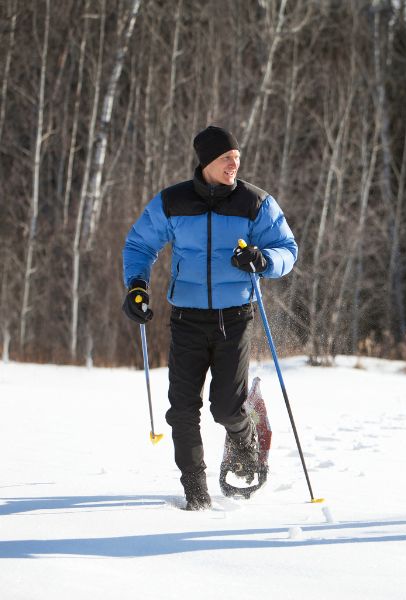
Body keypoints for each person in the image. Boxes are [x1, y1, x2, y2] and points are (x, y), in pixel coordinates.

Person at [122, 125, 298, 510]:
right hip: (186, 318)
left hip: (234, 318)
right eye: (225, 159)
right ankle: (195, 491)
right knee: (182, 410)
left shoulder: (255, 203)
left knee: (226, 407)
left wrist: (263, 259)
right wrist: (137, 285)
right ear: (206, 162)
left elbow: (287, 249)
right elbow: (139, 244)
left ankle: (246, 433)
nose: (234, 165)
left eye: (236, 158)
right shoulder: (173, 202)